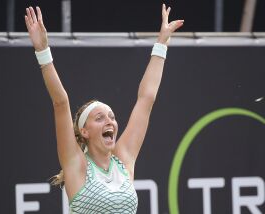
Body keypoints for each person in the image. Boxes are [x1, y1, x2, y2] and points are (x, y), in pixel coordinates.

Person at [25, 4, 183, 213]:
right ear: (84, 131)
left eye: (112, 117)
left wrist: (161, 43)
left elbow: (146, 99)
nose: (110, 121)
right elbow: (61, 102)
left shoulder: (123, 160)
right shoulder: (76, 166)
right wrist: (42, 51)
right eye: (99, 118)